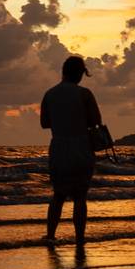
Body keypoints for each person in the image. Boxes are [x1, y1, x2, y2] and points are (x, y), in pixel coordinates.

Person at [40, 55, 103, 244]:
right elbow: (96, 121)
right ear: (80, 74)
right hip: (81, 146)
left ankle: (51, 235)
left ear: (63, 71)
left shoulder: (50, 94)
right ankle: (79, 238)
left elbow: (44, 123)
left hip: (59, 146)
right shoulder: (84, 94)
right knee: (80, 197)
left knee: (58, 195)